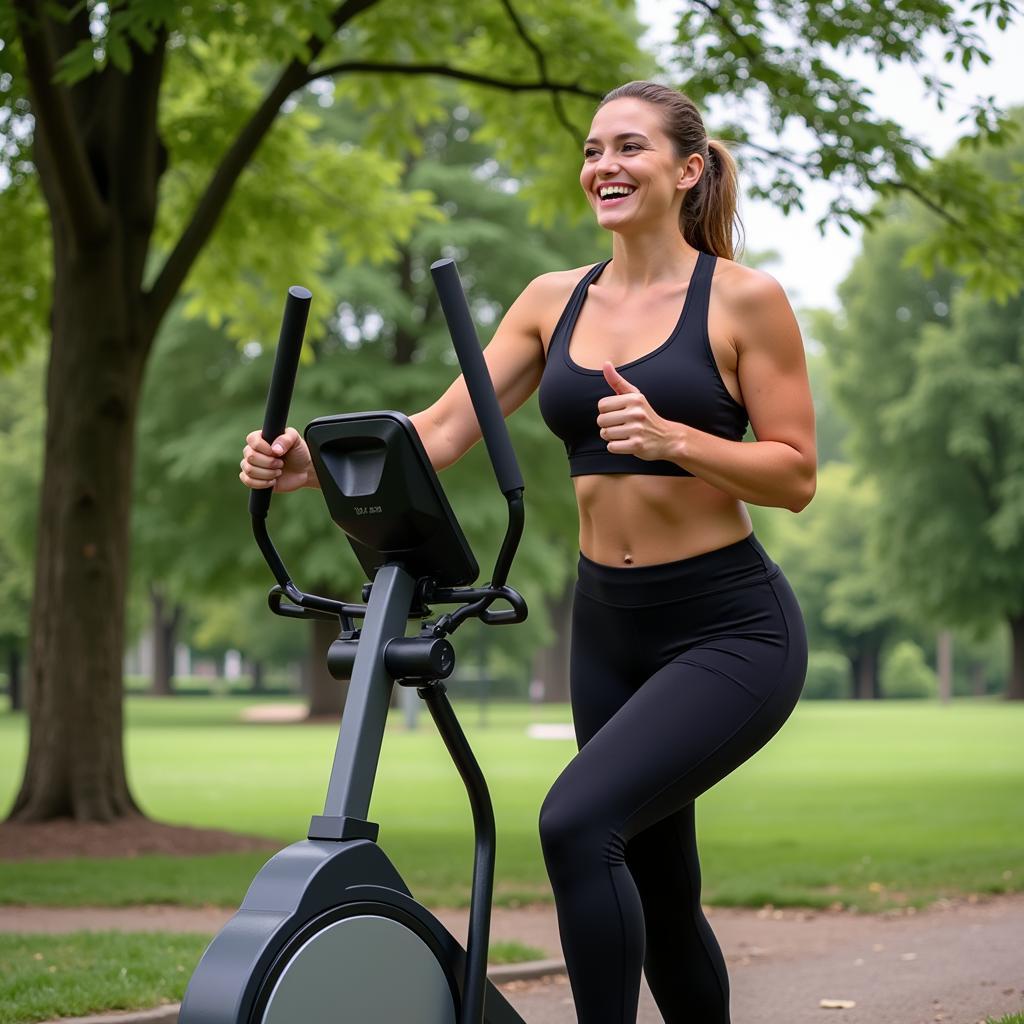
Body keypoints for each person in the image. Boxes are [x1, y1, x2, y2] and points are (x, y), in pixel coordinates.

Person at [240, 79, 815, 1024]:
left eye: (629, 148)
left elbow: (794, 475)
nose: (605, 167)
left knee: (577, 824)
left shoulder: (744, 302)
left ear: (689, 169)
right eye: (593, 150)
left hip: (730, 629)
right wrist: (308, 463)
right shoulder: (554, 302)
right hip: (608, 629)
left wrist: (679, 441)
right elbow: (442, 430)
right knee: (663, 888)